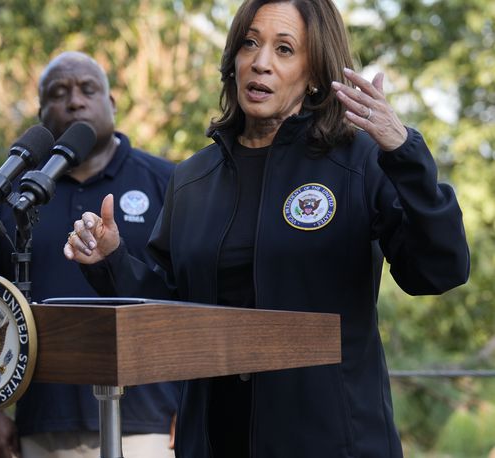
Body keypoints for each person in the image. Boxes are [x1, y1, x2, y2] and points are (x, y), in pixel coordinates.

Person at [63, 0, 470, 456]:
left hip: (333, 443)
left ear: (314, 73)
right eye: (250, 43)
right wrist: (111, 260)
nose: (260, 62)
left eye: (284, 49)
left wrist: (404, 153)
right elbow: (171, 308)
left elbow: (439, 271)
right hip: (215, 443)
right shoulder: (192, 179)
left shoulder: (359, 161)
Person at [0, 51, 179, 458]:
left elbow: (193, 298)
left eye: (88, 89)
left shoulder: (168, 182)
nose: (75, 100)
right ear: (41, 113)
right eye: (59, 92)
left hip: (148, 423)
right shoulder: (10, 197)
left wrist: (193, 406)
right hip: (43, 424)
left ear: (111, 104)